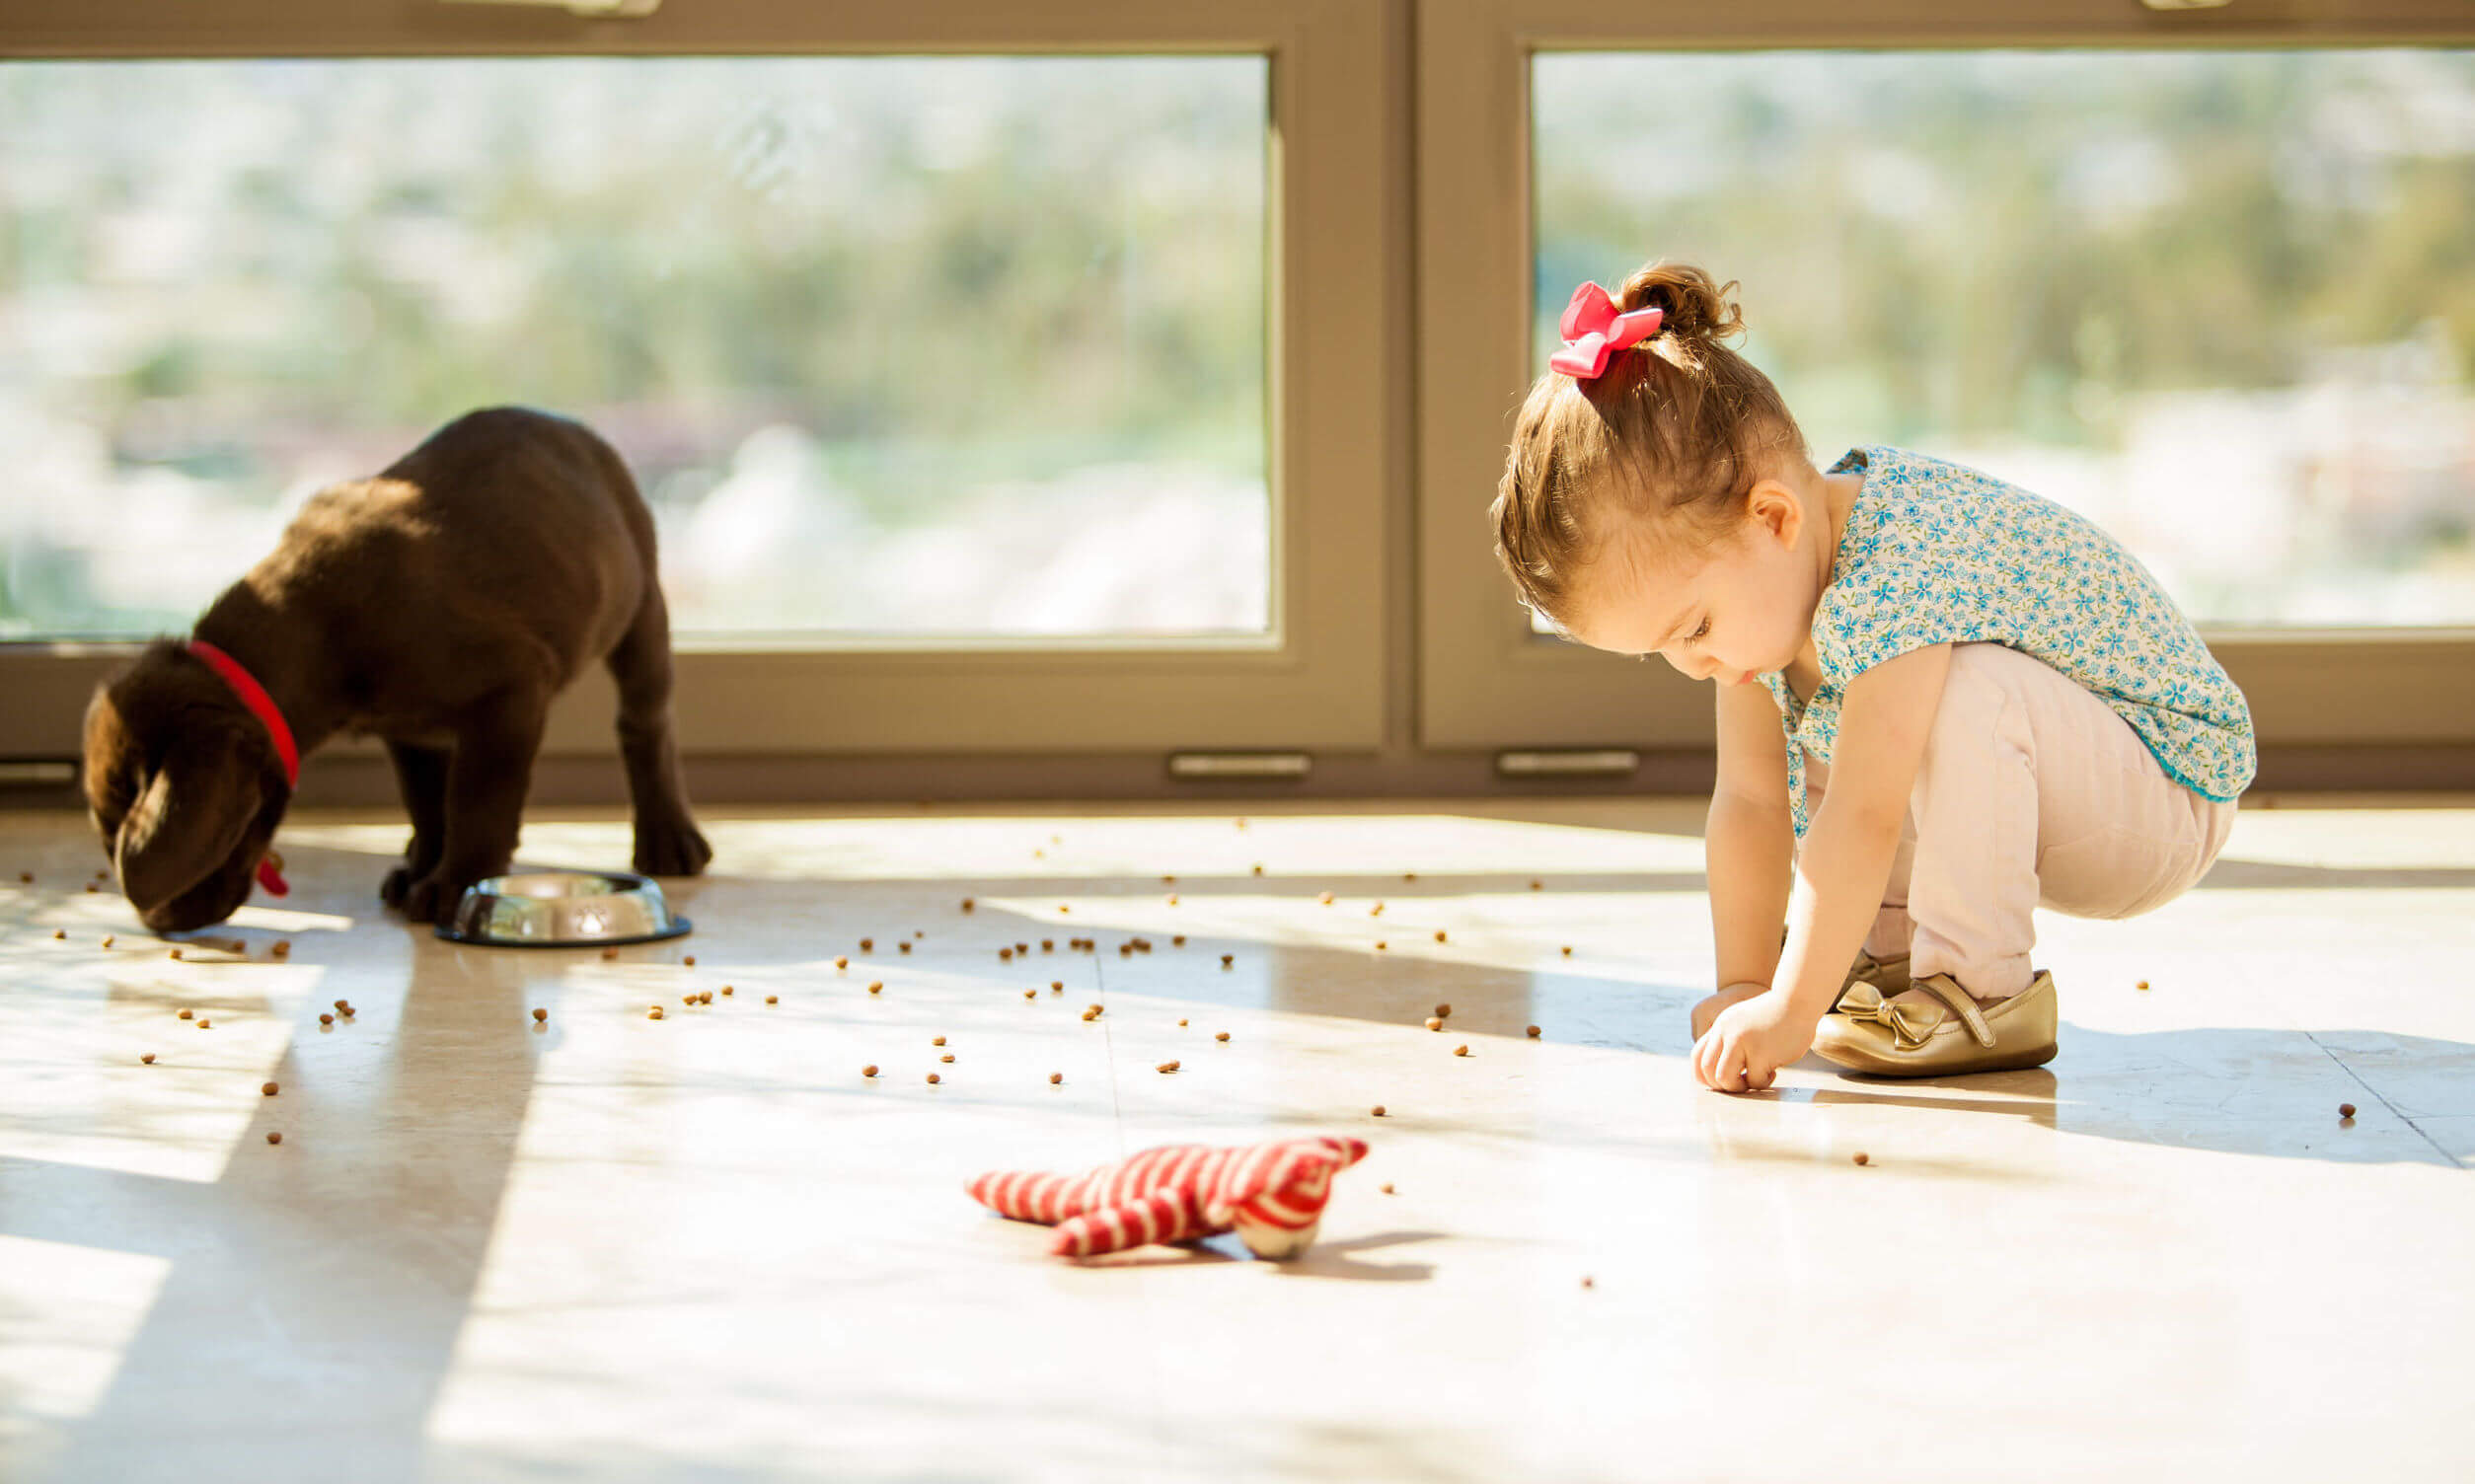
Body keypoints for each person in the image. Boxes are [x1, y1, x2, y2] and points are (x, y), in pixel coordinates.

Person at [1490, 262, 2254, 1092]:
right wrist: (1747, 985)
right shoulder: (1767, 590)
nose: (1695, 664)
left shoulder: (1901, 562)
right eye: (1665, 649)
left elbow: (1863, 813)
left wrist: (1791, 1011)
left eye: (1696, 629)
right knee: (1863, 727)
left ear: (1774, 517)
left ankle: (1983, 987)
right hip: (2054, 790)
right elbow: (1748, 803)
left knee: (1961, 694)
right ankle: (1888, 965)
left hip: (2166, 790)